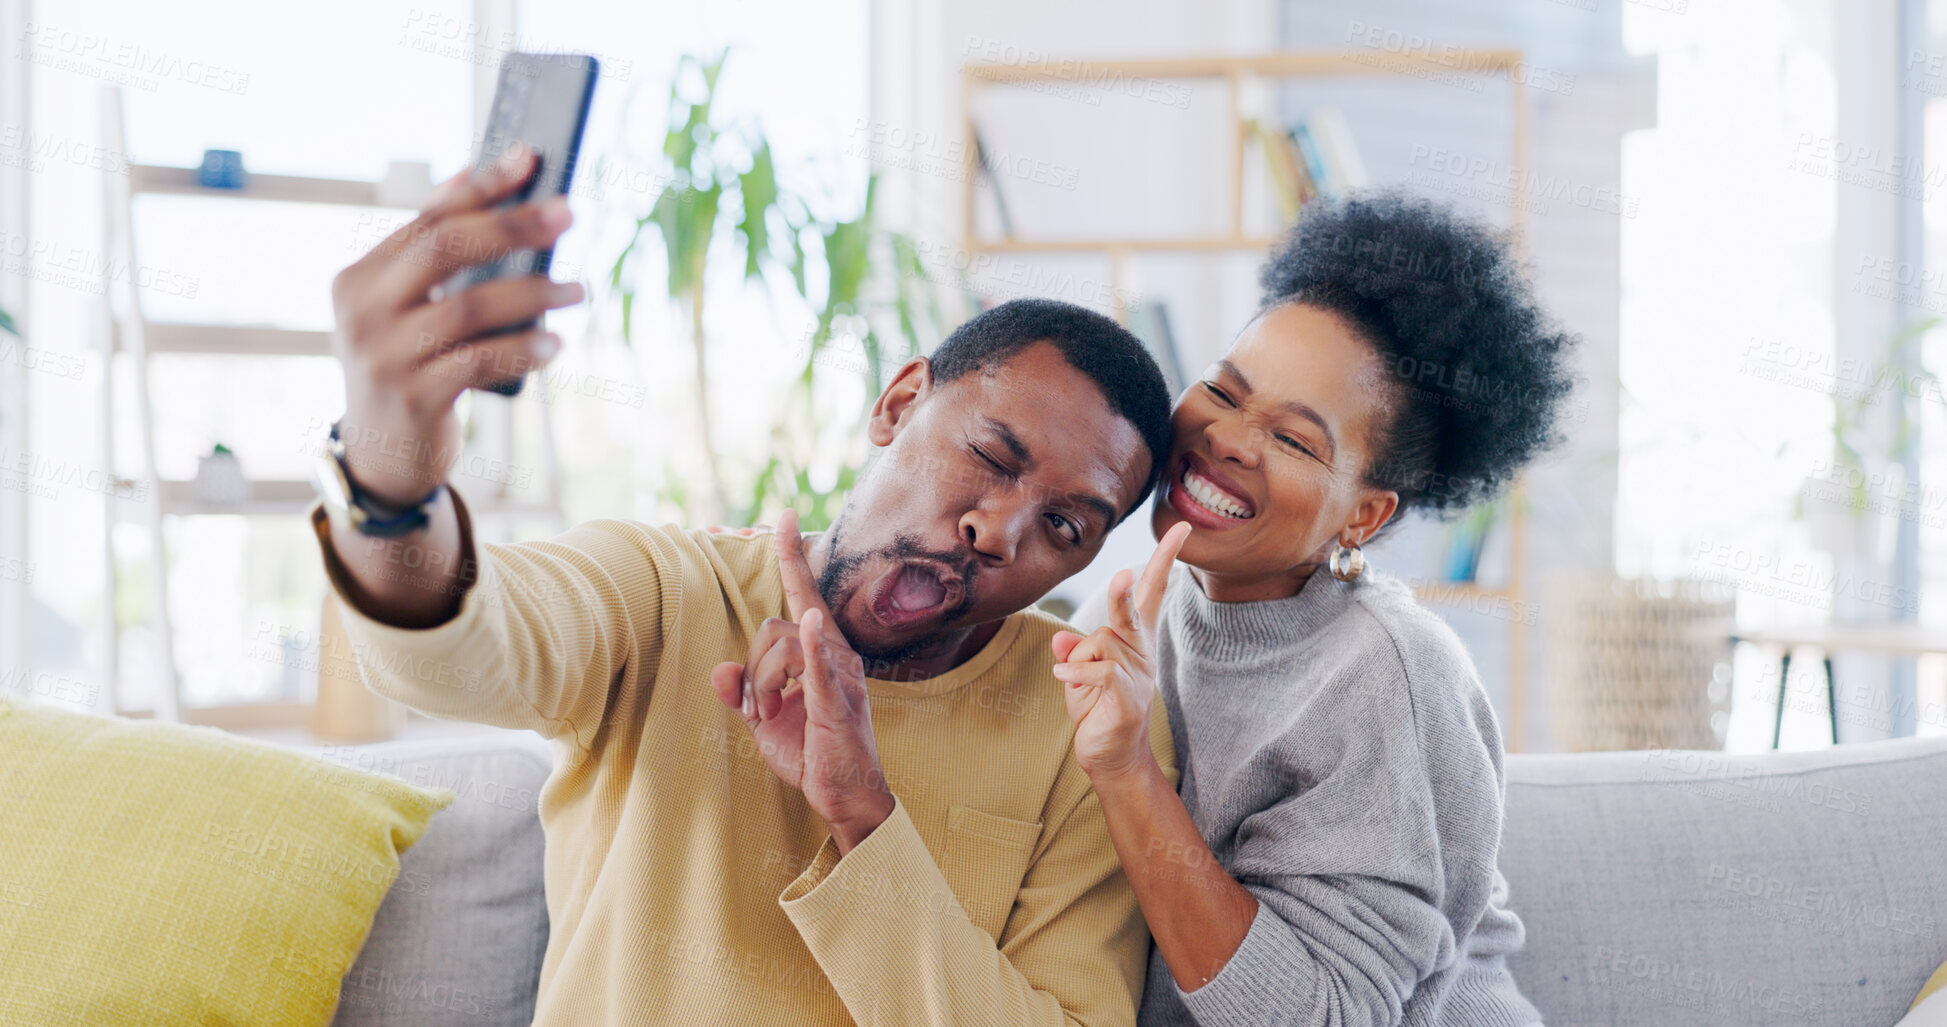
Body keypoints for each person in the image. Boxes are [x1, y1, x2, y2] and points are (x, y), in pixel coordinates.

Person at [313, 141, 1180, 1025]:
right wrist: (390, 487)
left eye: (1063, 526)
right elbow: (446, 657)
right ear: (897, 403)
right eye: (990, 456)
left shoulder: (1088, 724)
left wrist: (865, 817)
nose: (997, 532)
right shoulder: (663, 591)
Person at [1054, 191, 1576, 1026]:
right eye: (1224, 391)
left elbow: (1319, 1014)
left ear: (1364, 515)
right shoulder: (1129, 616)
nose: (1227, 437)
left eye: (1295, 441)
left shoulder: (1388, 673)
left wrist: (1126, 771)